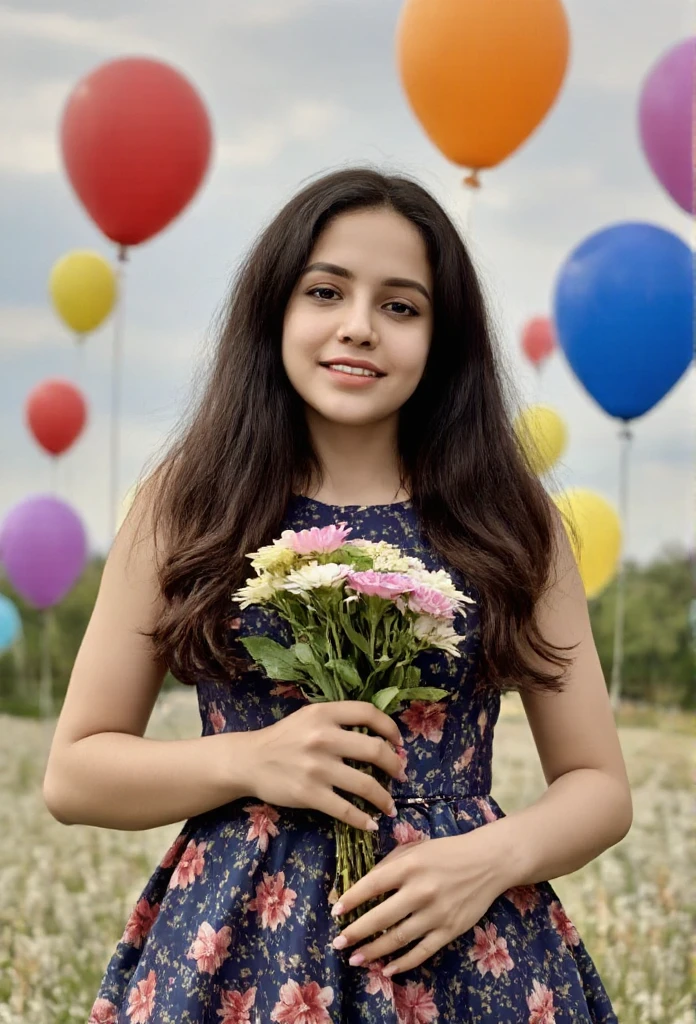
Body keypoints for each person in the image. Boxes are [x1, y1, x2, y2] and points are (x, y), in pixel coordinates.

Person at [43, 167, 632, 1023]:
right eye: (326, 291)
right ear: (276, 308)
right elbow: (75, 773)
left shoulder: (510, 518)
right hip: (236, 953)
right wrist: (250, 760)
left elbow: (598, 785)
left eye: (401, 306)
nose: (359, 328)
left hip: (465, 952)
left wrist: (490, 859)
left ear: (443, 338)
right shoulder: (190, 501)